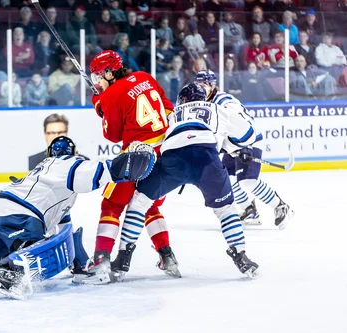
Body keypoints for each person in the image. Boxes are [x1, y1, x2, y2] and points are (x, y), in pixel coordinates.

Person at [0, 136, 156, 299]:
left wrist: (80, 265)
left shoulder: (44, 173)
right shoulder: (66, 164)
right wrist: (131, 164)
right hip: (23, 218)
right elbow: (102, 172)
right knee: (28, 252)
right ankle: (9, 275)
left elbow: (66, 229)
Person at [124, 83, 260, 278]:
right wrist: (232, 147)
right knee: (226, 209)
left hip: (173, 160)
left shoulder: (172, 114)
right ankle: (240, 255)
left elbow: (158, 139)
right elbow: (248, 134)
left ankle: (123, 256)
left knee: (139, 202)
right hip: (206, 158)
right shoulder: (216, 108)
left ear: (183, 100)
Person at [82, 50, 180, 285]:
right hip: (165, 156)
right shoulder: (145, 77)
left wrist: (100, 106)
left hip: (137, 158)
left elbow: (113, 135)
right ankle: (167, 256)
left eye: (98, 76)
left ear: (109, 72)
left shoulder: (111, 94)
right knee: (149, 206)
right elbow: (168, 109)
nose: (96, 81)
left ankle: (101, 259)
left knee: (112, 204)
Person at [195, 70, 294, 229]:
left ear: (213, 86)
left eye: (204, 84)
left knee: (248, 182)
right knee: (225, 180)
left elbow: (243, 123)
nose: (200, 87)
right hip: (232, 147)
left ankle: (280, 206)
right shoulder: (205, 104)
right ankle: (250, 211)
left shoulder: (224, 101)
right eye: (198, 84)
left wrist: (246, 147)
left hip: (248, 142)